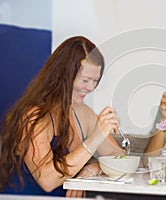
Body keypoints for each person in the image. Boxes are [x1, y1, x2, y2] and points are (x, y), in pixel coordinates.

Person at [0, 36, 123, 197]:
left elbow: (119, 158)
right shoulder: (34, 117)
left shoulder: (82, 112)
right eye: (85, 80)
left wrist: (91, 170)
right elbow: (48, 180)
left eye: (96, 80)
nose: (91, 87)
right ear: (63, 75)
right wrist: (94, 139)